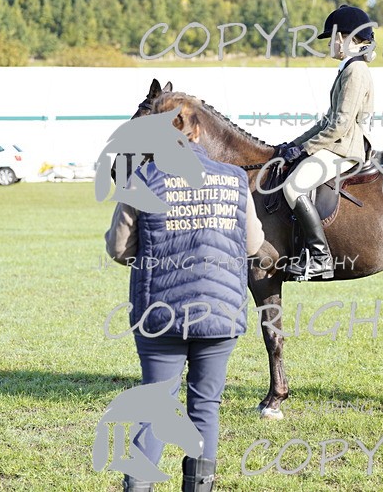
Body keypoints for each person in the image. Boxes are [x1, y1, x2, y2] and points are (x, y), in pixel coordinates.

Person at [105, 94, 265, 492]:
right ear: (197, 130)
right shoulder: (233, 178)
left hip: (160, 313)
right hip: (220, 311)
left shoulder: (140, 179)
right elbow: (251, 244)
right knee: (206, 408)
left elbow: (118, 249)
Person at [278, 4, 375, 280]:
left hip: (345, 147)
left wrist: (307, 149)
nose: (330, 45)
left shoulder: (356, 72)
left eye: (332, 38)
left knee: (294, 187)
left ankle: (320, 257)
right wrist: (292, 144)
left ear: (344, 38)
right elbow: (326, 121)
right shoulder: (348, 69)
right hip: (337, 142)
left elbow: (340, 124)